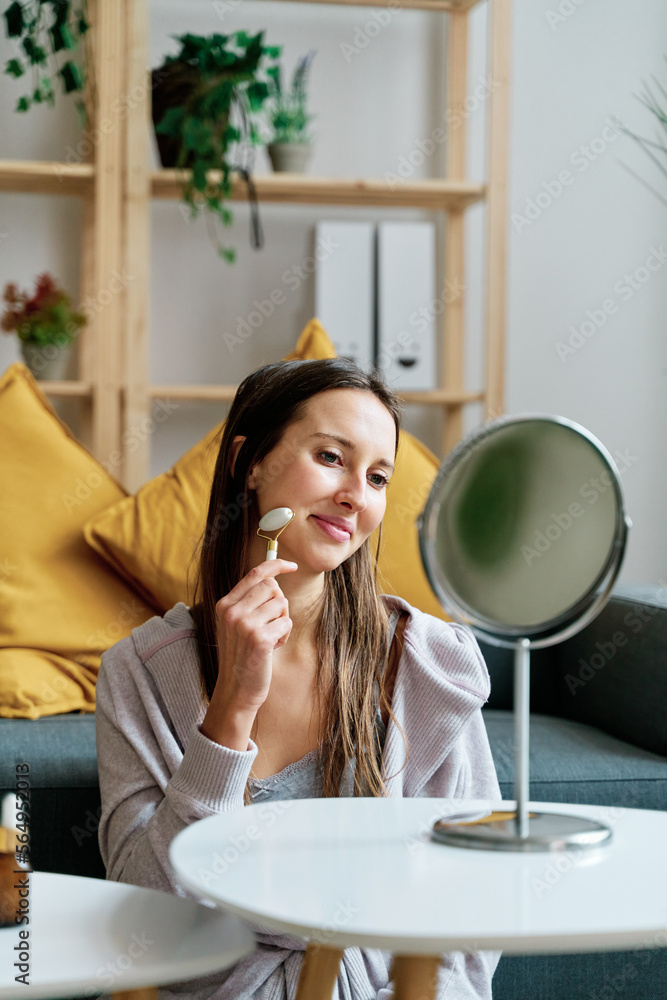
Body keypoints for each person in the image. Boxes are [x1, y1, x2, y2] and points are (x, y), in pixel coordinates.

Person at [96, 357, 502, 999]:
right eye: (331, 458)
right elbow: (143, 919)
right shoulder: (139, 673)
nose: (355, 497)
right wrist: (229, 711)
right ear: (247, 464)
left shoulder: (425, 665)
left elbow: (469, 915)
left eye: (377, 477)